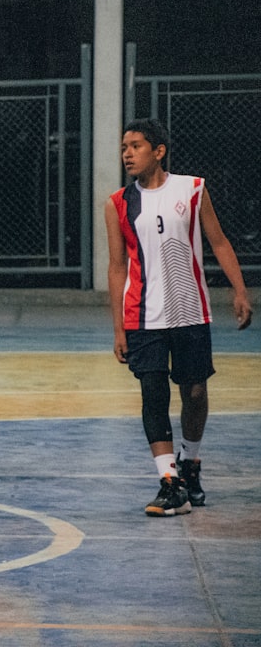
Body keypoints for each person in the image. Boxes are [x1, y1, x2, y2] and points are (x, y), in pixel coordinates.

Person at [104, 118, 252, 517]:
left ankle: (191, 463)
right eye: (123, 147)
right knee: (153, 394)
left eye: (135, 146)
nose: (127, 154)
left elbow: (218, 241)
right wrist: (118, 325)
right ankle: (169, 482)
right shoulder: (118, 203)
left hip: (189, 310)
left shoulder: (192, 189)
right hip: (142, 316)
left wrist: (239, 290)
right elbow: (117, 267)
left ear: (159, 150)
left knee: (196, 393)